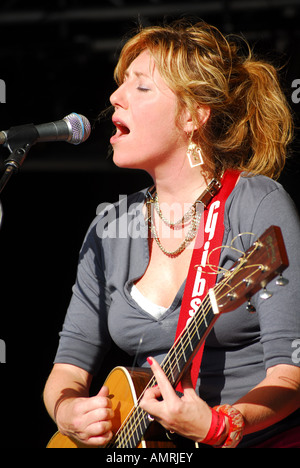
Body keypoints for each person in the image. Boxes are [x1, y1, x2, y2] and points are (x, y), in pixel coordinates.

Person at [43, 20, 300, 448]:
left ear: (192, 115)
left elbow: (291, 374)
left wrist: (223, 424)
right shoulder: (109, 228)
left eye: (140, 88)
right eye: (121, 84)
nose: (114, 98)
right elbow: (68, 367)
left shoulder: (256, 203)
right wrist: (68, 412)